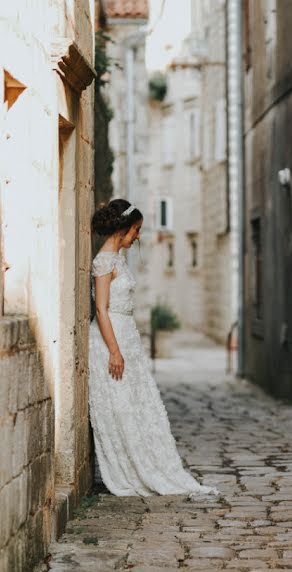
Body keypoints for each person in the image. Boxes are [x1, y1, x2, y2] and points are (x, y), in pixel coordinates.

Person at [87, 198, 219, 497]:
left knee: (137, 403)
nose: (138, 237)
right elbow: (102, 309)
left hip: (127, 336)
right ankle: (129, 469)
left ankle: (154, 462)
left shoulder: (118, 258)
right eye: (136, 230)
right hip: (112, 338)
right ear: (122, 228)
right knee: (121, 405)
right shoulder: (103, 261)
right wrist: (114, 351)